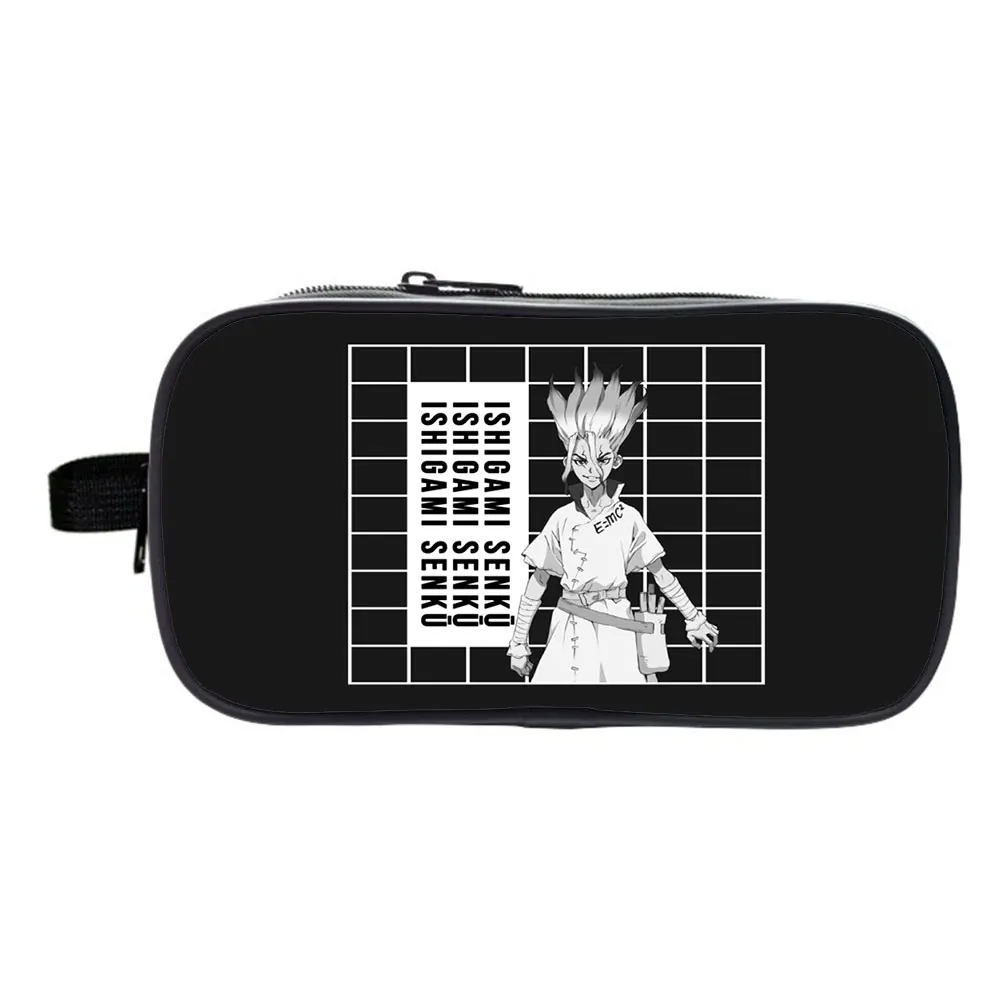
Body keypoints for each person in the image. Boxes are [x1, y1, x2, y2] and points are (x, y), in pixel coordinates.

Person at [508, 367, 719, 683]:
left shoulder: (629, 517)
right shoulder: (562, 518)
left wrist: (694, 619)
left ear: (616, 461)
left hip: (617, 626)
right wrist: (518, 643)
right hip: (569, 626)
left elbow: (660, 573)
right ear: (568, 461)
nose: (592, 470)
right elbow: (538, 582)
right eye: (581, 460)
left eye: (602, 459)